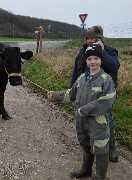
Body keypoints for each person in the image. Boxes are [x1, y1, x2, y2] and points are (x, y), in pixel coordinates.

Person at [48, 44, 116, 179]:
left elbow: (107, 101)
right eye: (89, 59)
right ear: (86, 61)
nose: (93, 62)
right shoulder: (81, 78)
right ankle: (86, 169)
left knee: (101, 148)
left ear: (101, 60)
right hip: (81, 120)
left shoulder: (106, 79)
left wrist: (84, 110)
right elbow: (71, 94)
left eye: (96, 58)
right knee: (85, 143)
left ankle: (100, 176)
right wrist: (55, 95)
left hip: (98, 122)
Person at [70, 25, 120, 163]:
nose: (90, 40)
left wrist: (102, 52)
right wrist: (72, 90)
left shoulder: (109, 51)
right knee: (87, 118)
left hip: (103, 93)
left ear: (100, 39)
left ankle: (111, 149)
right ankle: (91, 146)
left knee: (106, 119)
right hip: (84, 92)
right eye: (88, 38)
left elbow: (114, 66)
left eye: (93, 38)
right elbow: (76, 71)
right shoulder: (82, 52)